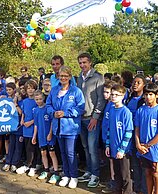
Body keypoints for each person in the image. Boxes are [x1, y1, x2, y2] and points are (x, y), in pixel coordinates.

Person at [46, 65, 85, 189]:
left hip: (70, 127)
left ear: (69, 77)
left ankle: (74, 176)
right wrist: (53, 112)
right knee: (62, 152)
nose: (63, 78)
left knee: (70, 153)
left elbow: (80, 108)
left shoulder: (76, 91)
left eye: (65, 76)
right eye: (61, 76)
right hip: (58, 127)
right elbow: (48, 104)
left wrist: (66, 113)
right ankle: (66, 175)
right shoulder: (54, 90)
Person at [135, 83, 158, 194]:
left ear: (157, 95)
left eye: (151, 94)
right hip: (143, 148)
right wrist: (138, 145)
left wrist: (148, 145)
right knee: (147, 172)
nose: (148, 97)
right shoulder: (141, 110)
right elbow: (137, 129)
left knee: (156, 172)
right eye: (146, 94)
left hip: (155, 148)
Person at [76, 53, 106, 188]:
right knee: (85, 147)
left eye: (84, 62)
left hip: (92, 118)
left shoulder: (98, 77)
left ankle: (96, 174)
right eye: (80, 63)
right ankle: (89, 171)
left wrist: (95, 117)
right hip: (81, 117)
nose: (82, 65)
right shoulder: (79, 78)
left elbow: (101, 99)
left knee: (93, 147)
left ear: (90, 63)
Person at [102, 84, 133, 194]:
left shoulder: (126, 112)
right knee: (116, 173)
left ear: (122, 96)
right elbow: (110, 130)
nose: (113, 97)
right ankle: (117, 190)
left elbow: (128, 132)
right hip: (113, 147)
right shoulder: (111, 110)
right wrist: (107, 145)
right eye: (112, 94)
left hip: (123, 151)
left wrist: (122, 149)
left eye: (117, 95)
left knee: (125, 174)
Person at [125, 74, 147, 194]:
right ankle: (137, 187)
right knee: (134, 162)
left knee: (142, 162)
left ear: (143, 85)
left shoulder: (145, 100)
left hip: (141, 134)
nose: (135, 84)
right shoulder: (129, 98)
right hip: (130, 133)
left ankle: (144, 188)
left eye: (138, 82)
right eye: (134, 82)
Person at [32, 90, 60, 184]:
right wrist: (34, 136)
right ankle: (46, 170)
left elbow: (52, 121)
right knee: (43, 153)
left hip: (49, 135)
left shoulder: (47, 109)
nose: (38, 101)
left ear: (43, 98)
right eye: (36, 99)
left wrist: (50, 133)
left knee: (52, 153)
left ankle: (56, 172)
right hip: (41, 136)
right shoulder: (35, 110)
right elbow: (36, 124)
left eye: (40, 99)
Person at [16, 80, 39, 177]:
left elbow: (39, 115)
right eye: (28, 88)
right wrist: (22, 119)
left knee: (32, 148)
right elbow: (24, 113)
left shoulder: (37, 100)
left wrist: (31, 122)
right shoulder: (25, 101)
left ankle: (32, 166)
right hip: (25, 128)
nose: (30, 90)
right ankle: (28, 164)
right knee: (27, 147)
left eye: (32, 88)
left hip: (34, 128)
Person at [2, 82, 23, 173]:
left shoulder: (22, 102)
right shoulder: (8, 100)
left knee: (18, 147)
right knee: (11, 145)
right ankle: (8, 162)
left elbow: (20, 113)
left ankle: (14, 163)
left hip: (19, 128)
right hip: (11, 127)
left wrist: (16, 103)